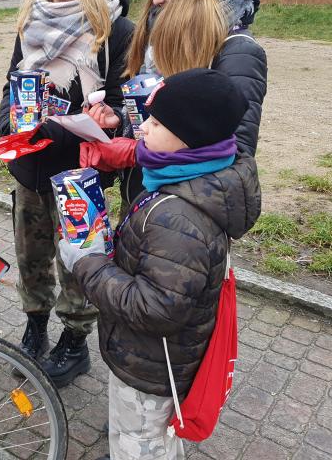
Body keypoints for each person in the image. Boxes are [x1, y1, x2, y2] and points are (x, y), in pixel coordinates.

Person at [68, 68, 261, 460]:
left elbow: (154, 308)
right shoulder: (192, 181)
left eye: (155, 123)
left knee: (141, 442)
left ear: (188, 138)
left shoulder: (178, 217)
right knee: (148, 439)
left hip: (153, 367)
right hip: (159, 358)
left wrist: (85, 263)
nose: (142, 130)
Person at [0, 0, 135, 386]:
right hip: (30, 167)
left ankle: (74, 343)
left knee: (79, 260)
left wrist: (88, 122)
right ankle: (34, 327)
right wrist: (6, 124)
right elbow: (13, 82)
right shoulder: (30, 22)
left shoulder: (115, 32)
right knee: (32, 255)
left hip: (80, 171)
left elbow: (120, 99)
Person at [91, 0, 267, 206]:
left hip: (186, 211)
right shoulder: (158, 38)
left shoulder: (237, 53)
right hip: (144, 195)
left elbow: (232, 156)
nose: (155, 0)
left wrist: (134, 152)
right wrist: (121, 120)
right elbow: (161, 117)